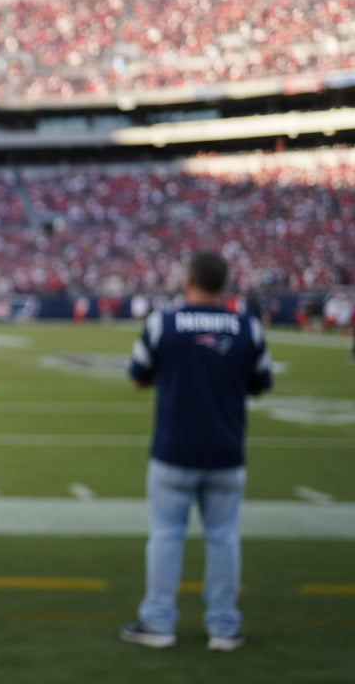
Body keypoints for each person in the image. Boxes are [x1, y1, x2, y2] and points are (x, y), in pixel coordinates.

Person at [120, 251, 273, 652]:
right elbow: (260, 384)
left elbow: (137, 377)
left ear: (188, 280)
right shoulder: (247, 328)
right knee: (223, 539)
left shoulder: (162, 324)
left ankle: (158, 622)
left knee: (166, 536)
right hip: (226, 449)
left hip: (173, 449)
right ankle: (223, 628)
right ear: (224, 283)